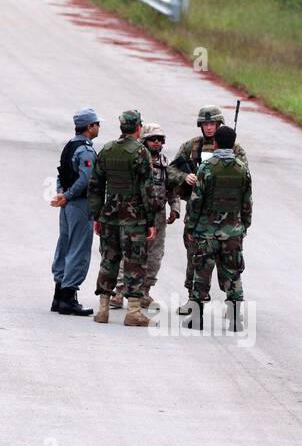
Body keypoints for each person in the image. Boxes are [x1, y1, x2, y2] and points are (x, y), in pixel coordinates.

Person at [169, 105, 246, 316]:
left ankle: (226, 306)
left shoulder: (236, 150)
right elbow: (171, 169)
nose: (209, 128)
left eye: (213, 124)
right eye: (206, 124)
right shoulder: (192, 146)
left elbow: (243, 182)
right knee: (196, 257)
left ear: (219, 125)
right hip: (200, 213)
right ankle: (193, 299)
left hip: (225, 216)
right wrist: (185, 177)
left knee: (228, 263)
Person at [88, 110, 155, 326]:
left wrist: (97, 215)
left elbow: (96, 186)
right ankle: (133, 311)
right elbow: (148, 190)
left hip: (109, 216)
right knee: (135, 262)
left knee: (109, 259)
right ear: (138, 127)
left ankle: (103, 309)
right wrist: (151, 220)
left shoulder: (107, 150)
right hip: (134, 219)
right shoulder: (141, 152)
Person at [184, 125, 252, 331]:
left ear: (215, 143)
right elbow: (247, 202)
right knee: (233, 274)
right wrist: (243, 226)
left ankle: (196, 318)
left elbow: (196, 201)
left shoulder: (207, 168)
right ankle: (235, 319)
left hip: (206, 232)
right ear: (233, 144)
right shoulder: (242, 168)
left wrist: (190, 225)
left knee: (202, 273)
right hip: (232, 232)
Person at [113, 122, 176, 312]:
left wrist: (175, 208)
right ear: (144, 141)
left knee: (154, 255)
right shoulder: (137, 160)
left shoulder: (165, 164)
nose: (156, 143)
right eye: (152, 139)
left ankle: (144, 291)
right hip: (137, 214)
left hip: (158, 215)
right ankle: (119, 292)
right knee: (130, 253)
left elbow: (172, 188)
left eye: (159, 139)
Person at [49, 108, 100, 316]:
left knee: (65, 245)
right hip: (79, 204)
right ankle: (69, 297)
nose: (98, 127)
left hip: (67, 204)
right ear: (89, 127)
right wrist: (68, 196)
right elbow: (85, 179)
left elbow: (61, 173)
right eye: (96, 124)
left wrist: (62, 194)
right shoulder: (86, 150)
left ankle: (59, 295)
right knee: (78, 249)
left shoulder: (70, 146)